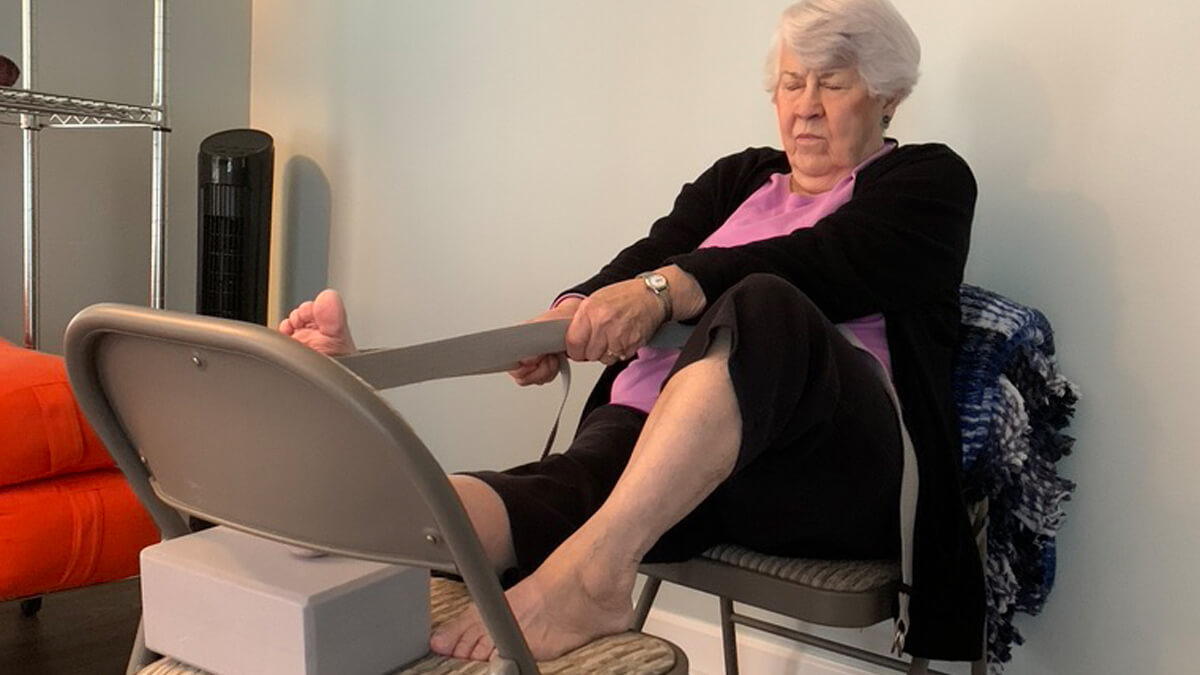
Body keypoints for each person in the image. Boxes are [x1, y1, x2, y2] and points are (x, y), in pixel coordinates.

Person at [281, 0, 984, 663]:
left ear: (888, 97)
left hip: (825, 470)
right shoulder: (740, 178)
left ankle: (592, 575)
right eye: (790, 83)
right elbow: (647, 257)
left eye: (832, 83)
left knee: (766, 302)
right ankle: (348, 493)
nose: (804, 106)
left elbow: (820, 263)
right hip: (671, 459)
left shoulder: (929, 181)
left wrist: (664, 291)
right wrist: (565, 317)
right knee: (550, 492)